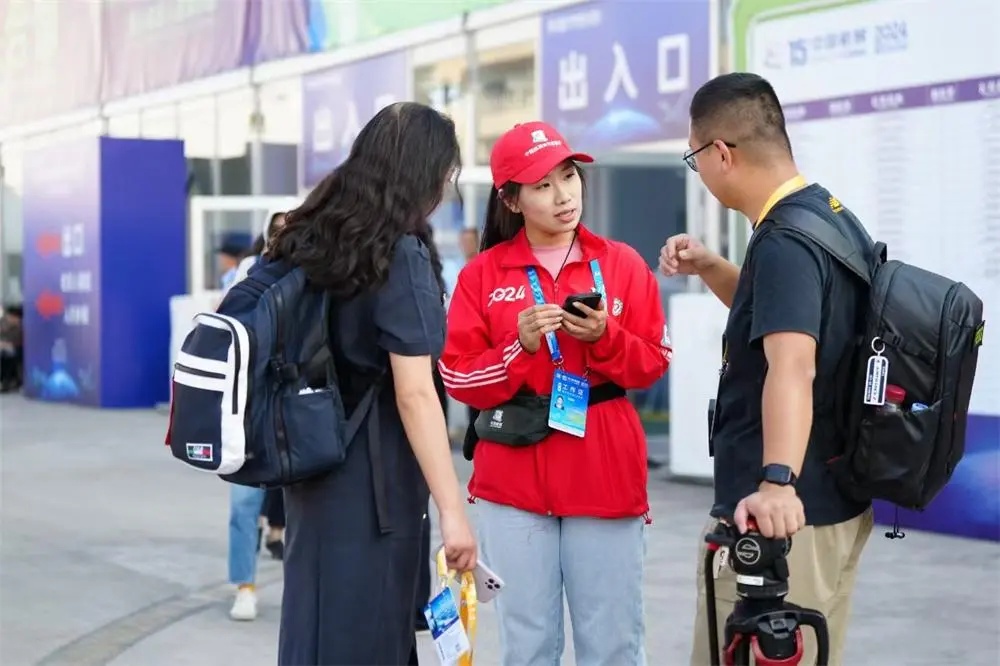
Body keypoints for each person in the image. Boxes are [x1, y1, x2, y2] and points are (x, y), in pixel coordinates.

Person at [659, 72, 874, 666]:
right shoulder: (827, 217)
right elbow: (783, 322)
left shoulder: (784, 242)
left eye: (695, 156)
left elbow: (793, 365)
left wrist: (777, 482)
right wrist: (710, 267)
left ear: (720, 152)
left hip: (780, 520)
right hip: (832, 499)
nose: (699, 171)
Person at [439, 121, 672, 666]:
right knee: (528, 643)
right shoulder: (481, 275)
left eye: (569, 176)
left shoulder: (622, 264)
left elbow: (653, 361)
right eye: (542, 184)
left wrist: (606, 338)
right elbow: (456, 376)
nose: (564, 194)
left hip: (605, 470)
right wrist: (516, 350)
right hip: (513, 476)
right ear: (511, 200)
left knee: (612, 642)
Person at [270, 101, 477, 666]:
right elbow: (414, 393)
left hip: (313, 472)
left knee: (315, 630)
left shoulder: (311, 239)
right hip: (373, 481)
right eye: (444, 175)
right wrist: (452, 511)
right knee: (369, 636)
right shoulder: (399, 253)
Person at [224, 211, 288, 621]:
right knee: (244, 502)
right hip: (252, 405)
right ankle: (244, 585)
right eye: (278, 229)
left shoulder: (322, 275)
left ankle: (305, 590)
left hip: (302, 408)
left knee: (303, 506)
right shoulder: (250, 274)